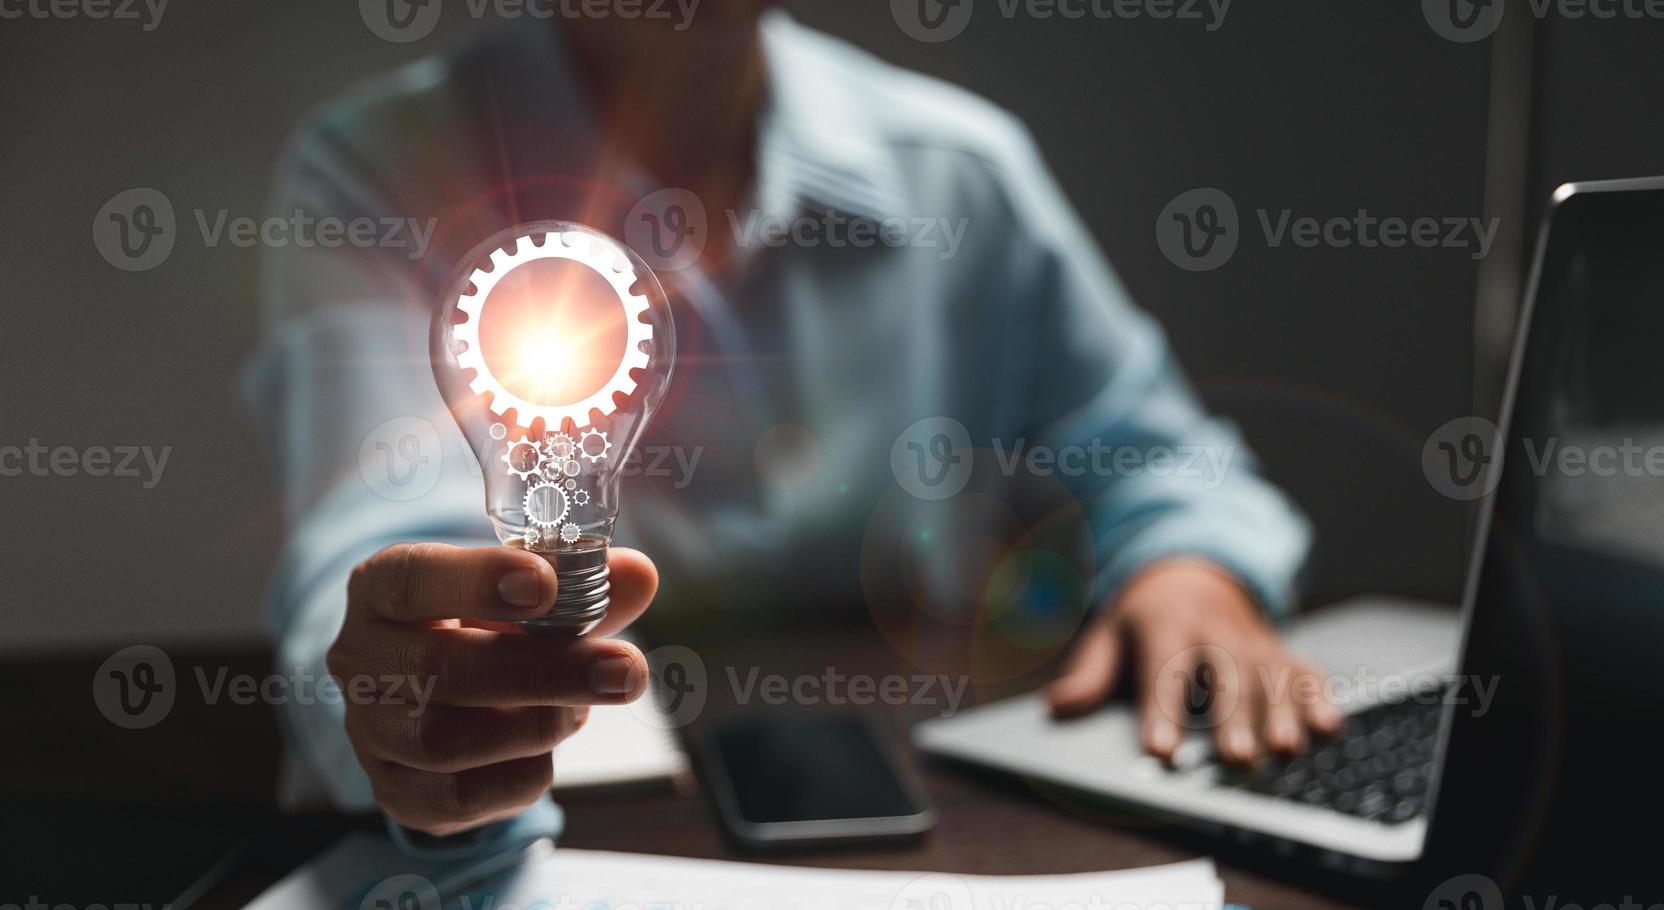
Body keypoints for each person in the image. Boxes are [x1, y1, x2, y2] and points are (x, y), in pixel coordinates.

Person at [247, 2, 1336, 857]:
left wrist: (1193, 565)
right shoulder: (378, 169)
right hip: (570, 826)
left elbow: (1160, 455)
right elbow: (377, 545)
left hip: (930, 806)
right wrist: (407, 688)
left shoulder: (960, 173)